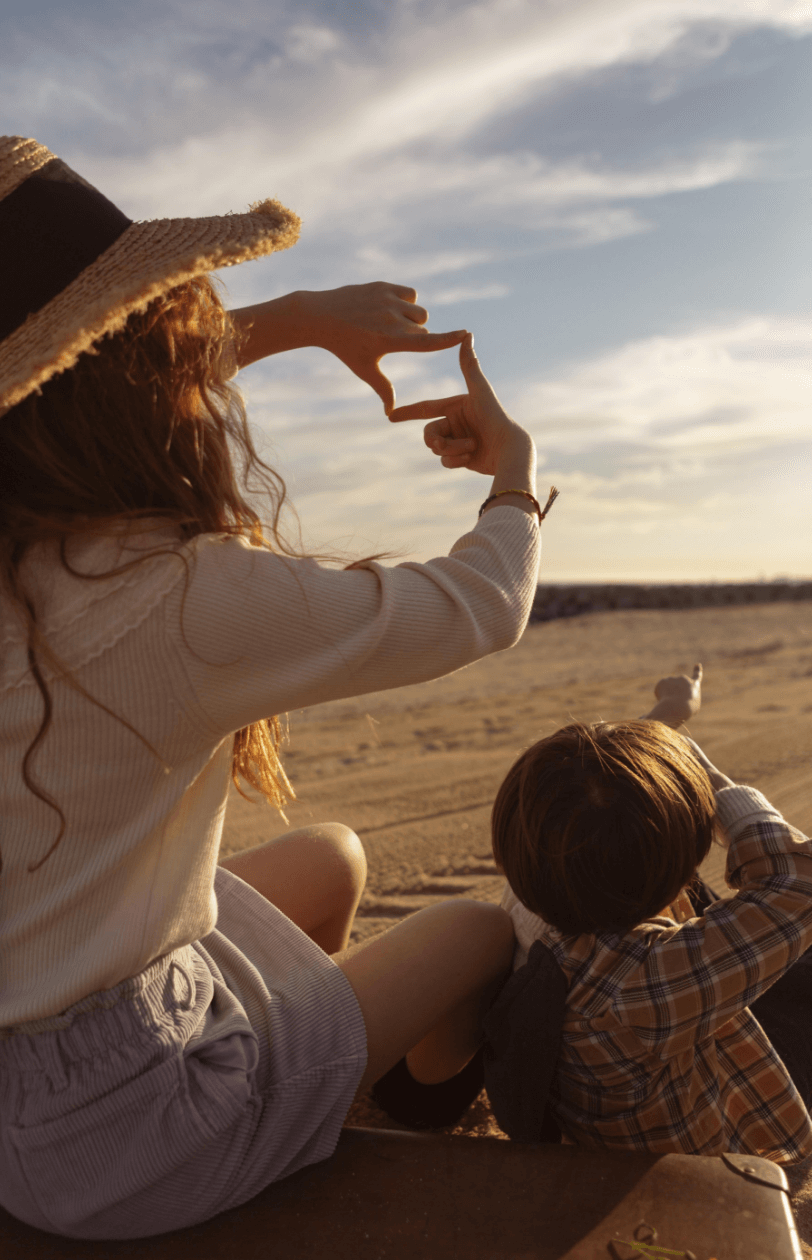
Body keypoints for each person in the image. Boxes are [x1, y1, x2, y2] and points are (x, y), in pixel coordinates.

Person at [0, 135, 553, 1238]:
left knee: (332, 855)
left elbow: (80, 393)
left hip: (40, 1040)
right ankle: (356, 1150)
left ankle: (310, 1093)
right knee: (478, 937)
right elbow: (476, 608)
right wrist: (513, 481)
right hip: (121, 1128)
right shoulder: (169, 594)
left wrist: (299, 317)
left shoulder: (32, 555)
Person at [490, 666, 812, 1164]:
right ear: (687, 857)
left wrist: (670, 716)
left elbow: (598, 791)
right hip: (725, 1145)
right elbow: (798, 883)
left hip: (648, 1061)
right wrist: (716, 785)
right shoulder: (648, 980)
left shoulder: (538, 886)